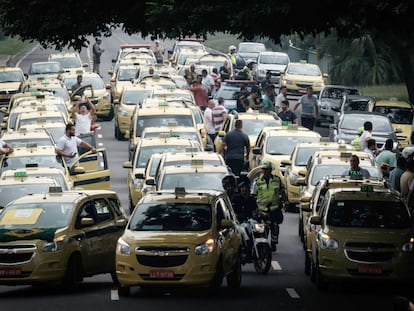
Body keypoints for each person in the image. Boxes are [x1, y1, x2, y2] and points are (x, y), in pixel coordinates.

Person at [252, 160, 285, 252]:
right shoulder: (257, 182)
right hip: (261, 209)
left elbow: (282, 192)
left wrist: (285, 202)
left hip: (274, 209)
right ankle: (261, 243)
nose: (266, 171)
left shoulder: (277, 180)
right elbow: (254, 195)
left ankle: (273, 243)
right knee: (260, 228)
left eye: (267, 169)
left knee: (274, 227)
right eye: (264, 169)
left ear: (271, 170)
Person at [232, 178, 259, 262]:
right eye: (243, 187)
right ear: (240, 189)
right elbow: (232, 212)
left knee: (259, 228)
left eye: (246, 187)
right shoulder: (236, 199)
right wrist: (237, 216)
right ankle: (244, 248)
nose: (245, 189)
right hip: (239, 223)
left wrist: (262, 214)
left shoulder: (252, 199)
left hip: (250, 221)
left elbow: (256, 210)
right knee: (243, 231)